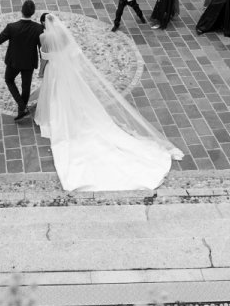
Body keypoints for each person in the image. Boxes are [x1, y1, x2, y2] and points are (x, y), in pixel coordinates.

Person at [33, 13, 183, 191]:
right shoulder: (64, 34)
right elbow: (72, 53)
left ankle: (59, 117)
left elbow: (45, 58)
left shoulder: (43, 36)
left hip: (55, 69)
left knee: (55, 94)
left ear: (44, 23)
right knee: (69, 93)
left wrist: (42, 72)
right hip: (67, 70)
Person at [0, 0, 44, 121]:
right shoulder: (38, 29)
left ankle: (22, 107)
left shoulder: (12, 27)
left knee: (9, 79)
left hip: (14, 62)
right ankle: (22, 109)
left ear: (21, 11)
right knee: (26, 86)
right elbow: (41, 49)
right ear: (33, 13)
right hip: (29, 63)